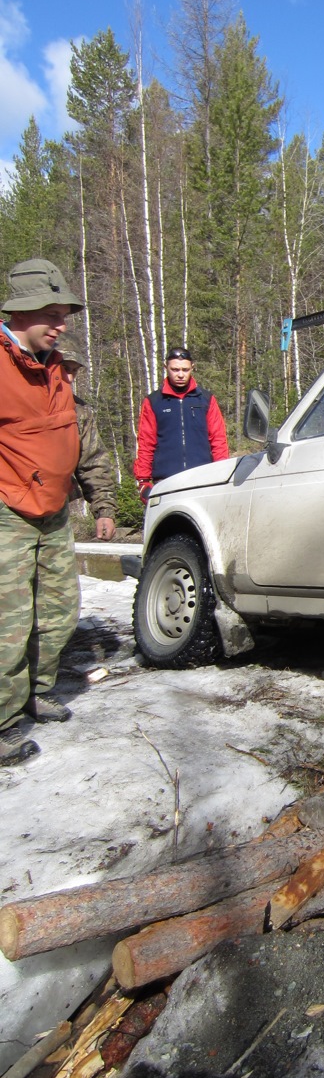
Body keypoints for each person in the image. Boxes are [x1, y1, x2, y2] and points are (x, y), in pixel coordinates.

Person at [0, 259, 85, 765]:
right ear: (23, 311)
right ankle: (3, 719)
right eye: (53, 314)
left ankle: (37, 689)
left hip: (53, 510)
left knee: (58, 609)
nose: (62, 324)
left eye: (65, 314)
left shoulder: (54, 365)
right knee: (9, 621)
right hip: (8, 508)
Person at [133, 347, 229, 502]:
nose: (180, 374)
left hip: (203, 480)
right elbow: (145, 442)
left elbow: (218, 439)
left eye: (185, 369)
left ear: (192, 367)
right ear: (166, 368)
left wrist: (223, 472)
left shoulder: (206, 399)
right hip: (165, 483)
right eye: (175, 369)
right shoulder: (154, 402)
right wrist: (143, 481)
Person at [56, 330, 117, 542]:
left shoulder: (79, 411)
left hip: (56, 512)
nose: (69, 377)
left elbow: (92, 463)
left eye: (75, 370)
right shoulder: (16, 400)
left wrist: (104, 511)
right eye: (64, 368)